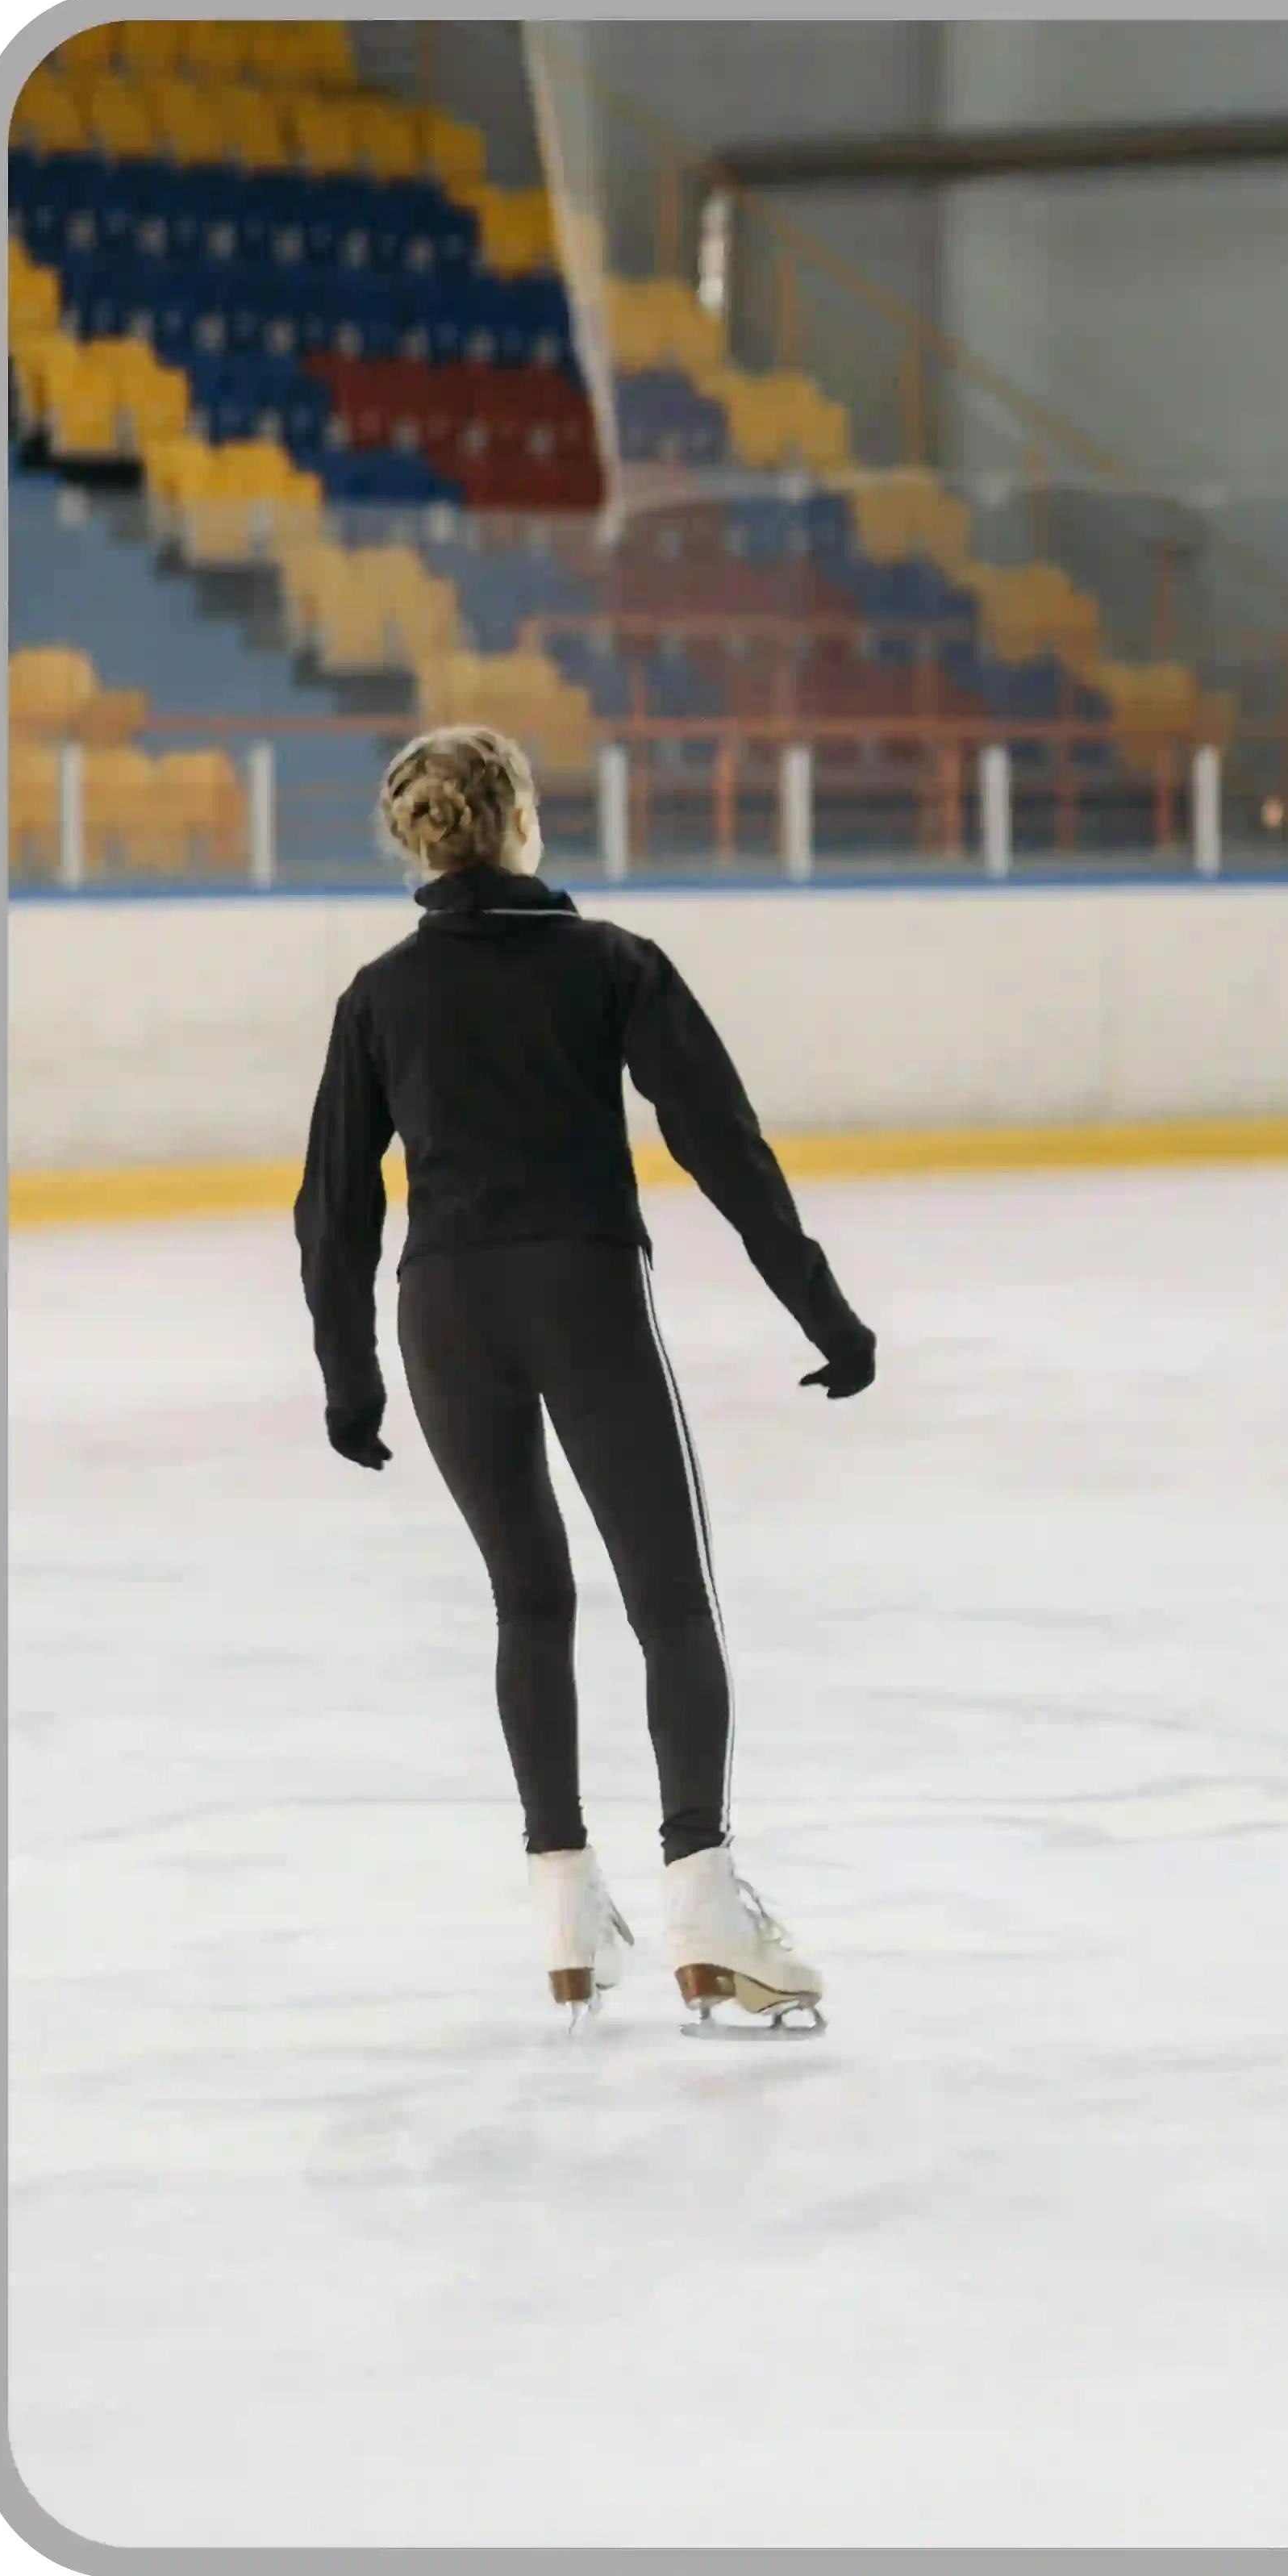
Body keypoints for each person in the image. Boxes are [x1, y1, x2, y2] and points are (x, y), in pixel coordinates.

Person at [296, 727, 872, 2031]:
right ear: (520, 822)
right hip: (580, 1292)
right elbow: (726, 1146)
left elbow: (330, 1208)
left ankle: (566, 1909)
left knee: (527, 1600)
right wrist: (823, 1309)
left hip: (444, 1312)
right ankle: (706, 1909)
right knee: (671, 1604)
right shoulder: (609, 963)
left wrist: (351, 1375)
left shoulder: (379, 995)